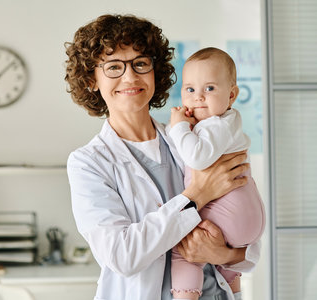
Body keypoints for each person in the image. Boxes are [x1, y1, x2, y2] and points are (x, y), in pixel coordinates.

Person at [64, 14, 260, 300]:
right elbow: (122, 256)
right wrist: (196, 195)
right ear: (91, 79)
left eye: (141, 63)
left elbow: (246, 221)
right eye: (114, 67)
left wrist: (226, 253)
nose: (130, 77)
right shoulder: (88, 163)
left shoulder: (193, 138)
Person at [168, 47, 265, 300]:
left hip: (229, 217)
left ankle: (185, 296)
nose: (198, 97)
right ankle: (233, 291)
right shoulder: (222, 123)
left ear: (232, 95)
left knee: (183, 250)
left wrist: (178, 128)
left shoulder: (217, 124)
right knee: (222, 265)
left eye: (209, 89)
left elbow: (197, 157)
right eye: (190, 90)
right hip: (244, 223)